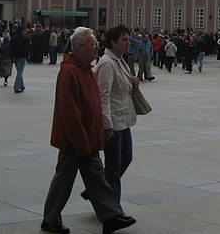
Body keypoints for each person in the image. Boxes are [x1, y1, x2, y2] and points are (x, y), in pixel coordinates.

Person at [42, 27, 136, 234]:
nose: (96, 48)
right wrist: (83, 142)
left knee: (90, 178)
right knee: (66, 179)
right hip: (75, 139)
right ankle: (52, 219)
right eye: (92, 45)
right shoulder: (70, 72)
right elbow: (70, 113)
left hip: (87, 137)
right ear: (79, 47)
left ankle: (110, 216)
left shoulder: (84, 69)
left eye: (96, 44)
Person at [79, 24, 138, 204]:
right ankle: (113, 208)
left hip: (123, 119)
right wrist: (106, 124)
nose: (128, 43)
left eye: (128, 39)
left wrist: (132, 82)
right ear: (113, 42)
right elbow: (102, 97)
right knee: (113, 167)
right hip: (112, 122)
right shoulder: (107, 63)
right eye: (124, 40)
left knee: (126, 158)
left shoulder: (120, 60)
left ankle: (94, 189)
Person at [10, 26, 31, 93]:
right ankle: (16, 87)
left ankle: (22, 86)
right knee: (20, 72)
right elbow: (29, 46)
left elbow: (10, 46)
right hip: (22, 56)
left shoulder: (13, 37)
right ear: (22, 31)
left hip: (15, 56)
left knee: (19, 71)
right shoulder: (24, 38)